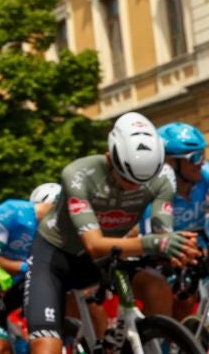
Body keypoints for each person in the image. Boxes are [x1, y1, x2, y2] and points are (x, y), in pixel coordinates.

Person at [24, 112, 201, 354]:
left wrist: (179, 250)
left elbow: (162, 233)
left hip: (108, 256)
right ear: (109, 158)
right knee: (47, 347)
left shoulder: (164, 177)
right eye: (127, 180)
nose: (135, 188)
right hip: (57, 257)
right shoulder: (78, 175)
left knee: (156, 285)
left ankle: (154, 345)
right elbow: (94, 245)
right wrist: (158, 242)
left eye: (143, 182)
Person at [133, 121, 209, 319]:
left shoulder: (205, 176)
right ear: (170, 163)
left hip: (199, 249)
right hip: (162, 254)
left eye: (203, 153)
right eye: (195, 157)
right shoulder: (154, 191)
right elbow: (156, 240)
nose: (201, 162)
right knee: (179, 301)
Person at [0, 183, 60, 354]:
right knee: (0, 348)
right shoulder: (12, 211)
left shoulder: (54, 230)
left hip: (24, 289)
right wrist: (27, 266)